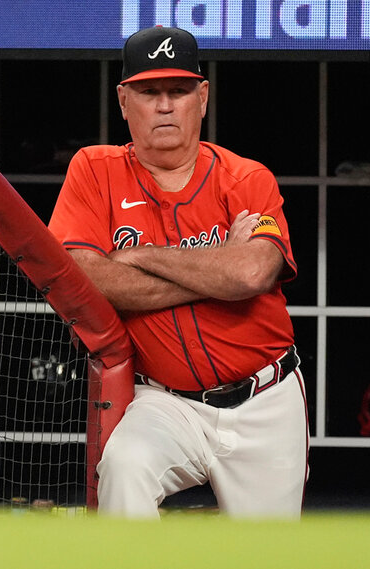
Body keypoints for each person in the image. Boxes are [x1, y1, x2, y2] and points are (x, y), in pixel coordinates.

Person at [47, 25, 308, 518]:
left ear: (202, 97)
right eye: (149, 92)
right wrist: (215, 274)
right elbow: (80, 279)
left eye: (178, 91)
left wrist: (139, 255)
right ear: (124, 101)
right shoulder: (94, 169)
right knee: (124, 466)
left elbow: (251, 275)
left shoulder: (247, 177)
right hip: (165, 403)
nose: (165, 105)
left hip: (264, 400)